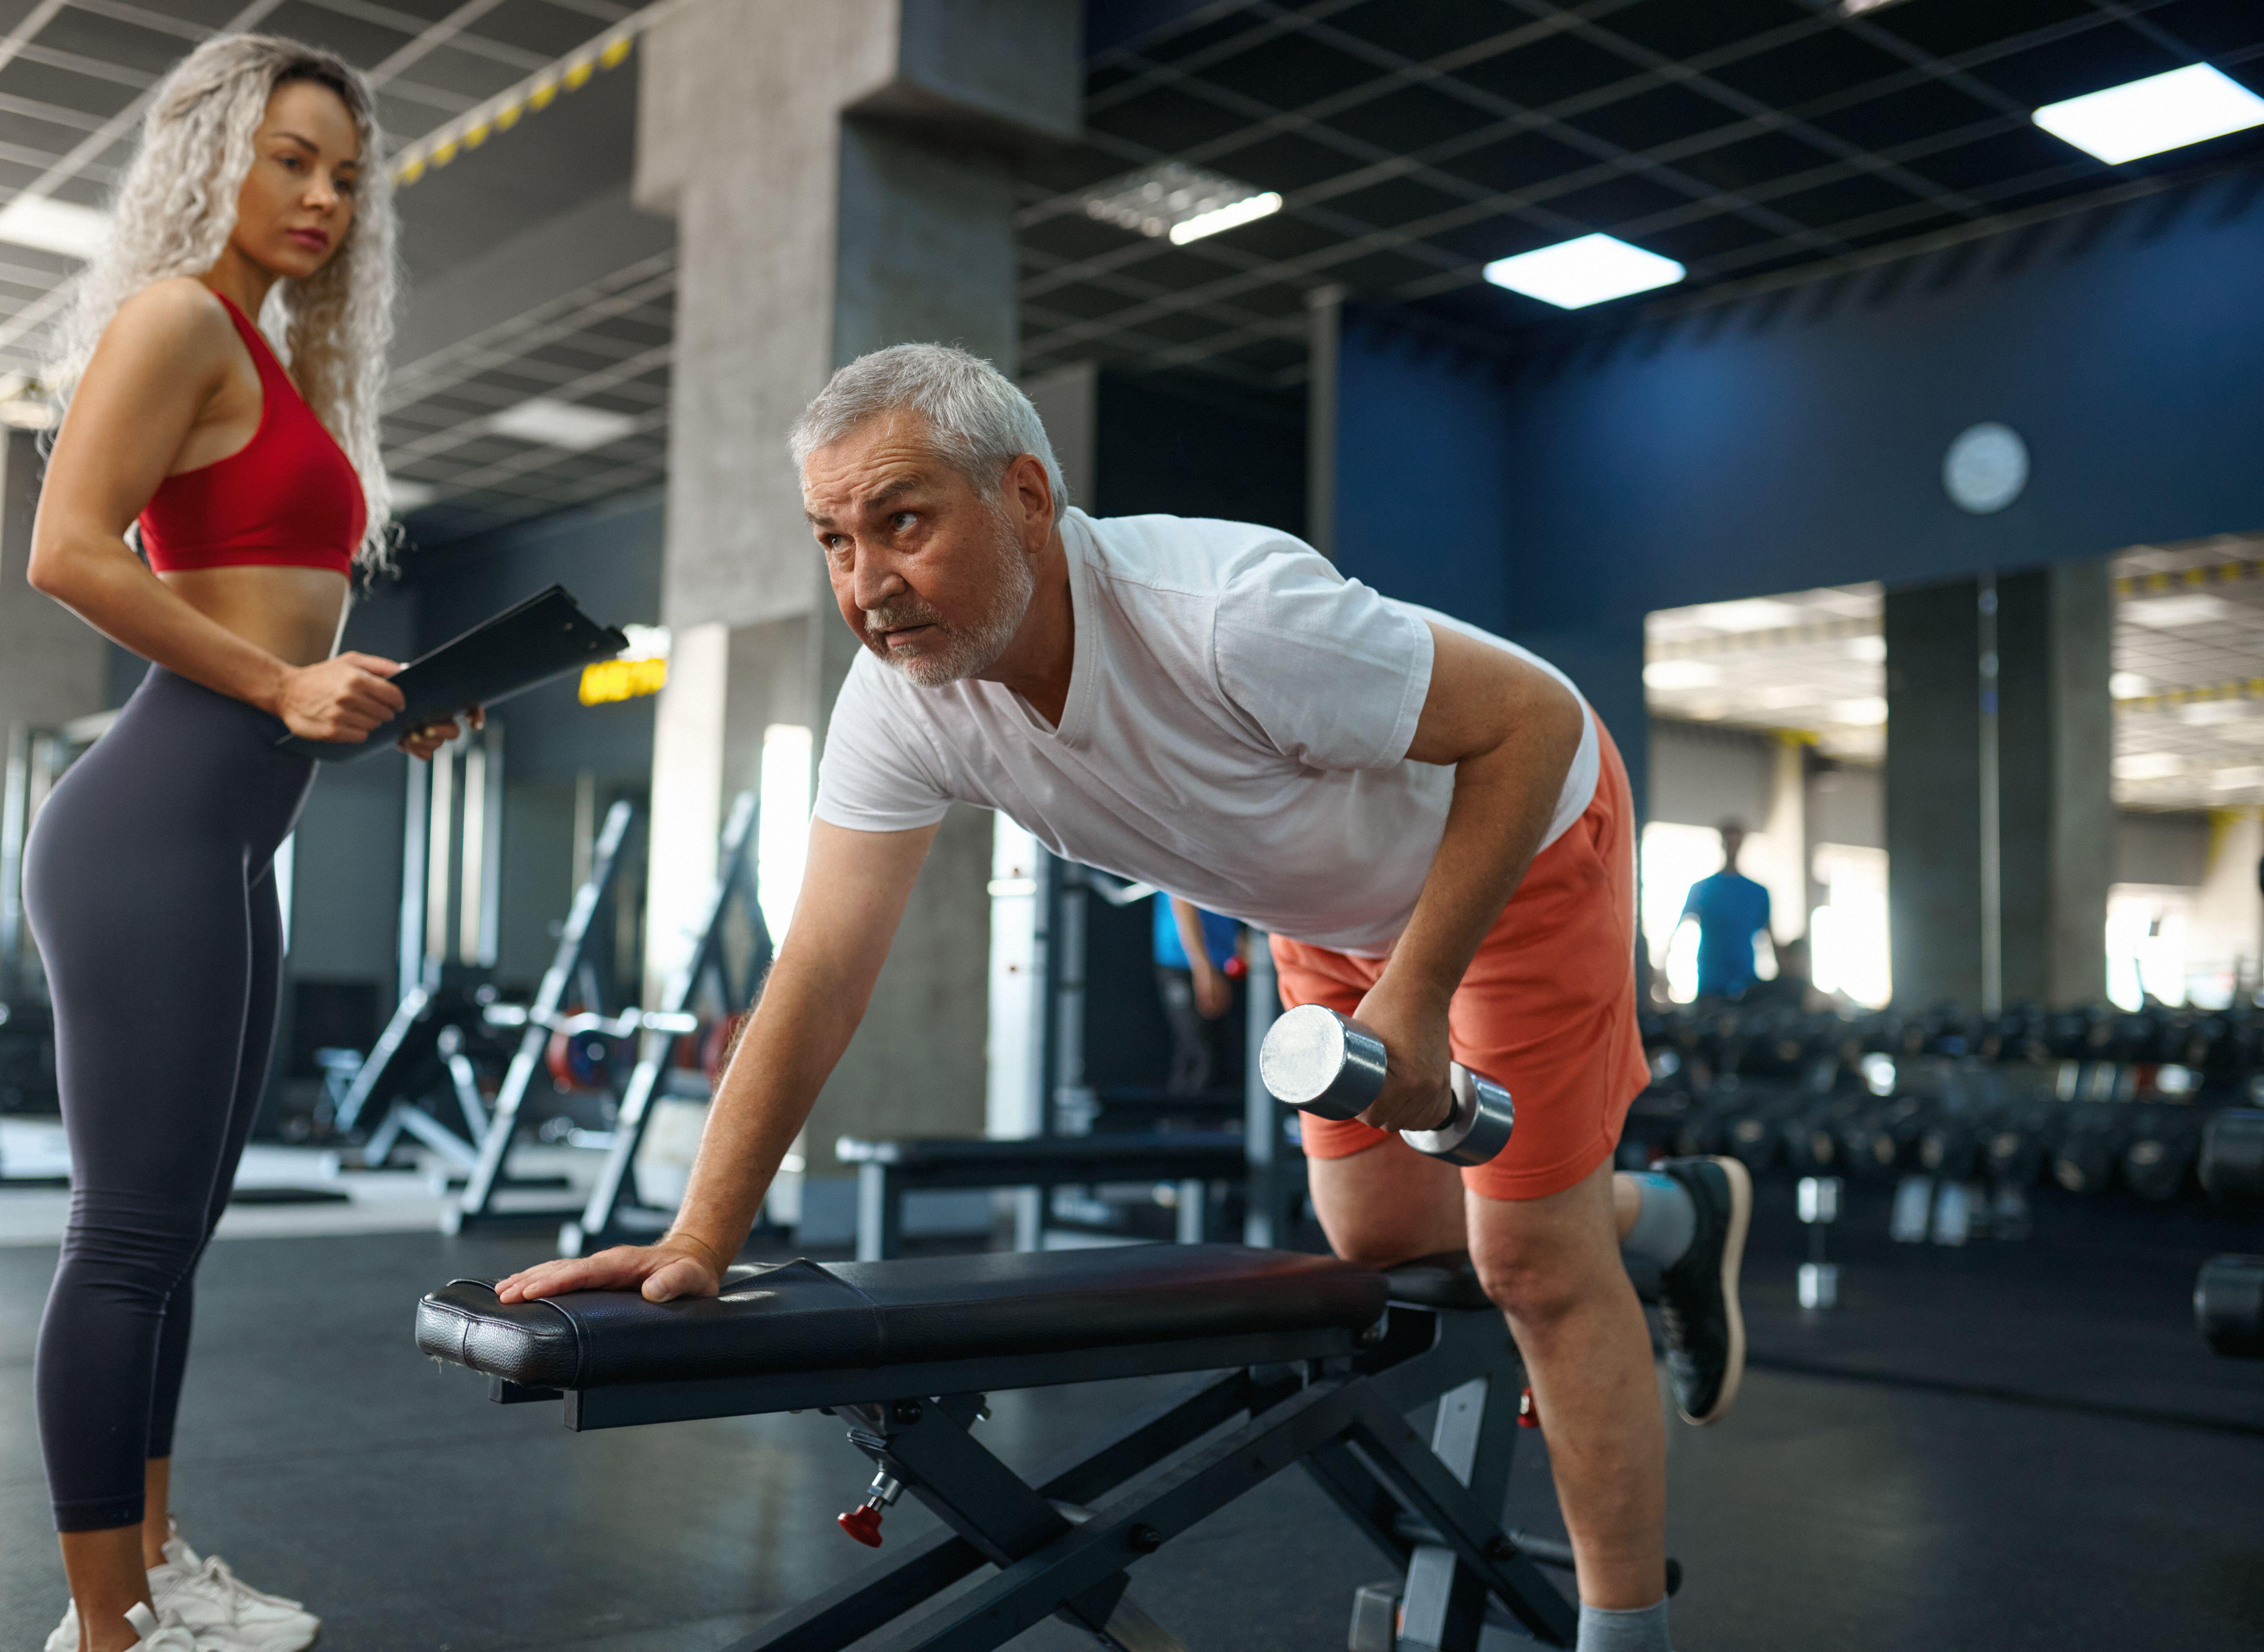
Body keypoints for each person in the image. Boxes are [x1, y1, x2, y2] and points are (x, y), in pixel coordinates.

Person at [495, 344, 1750, 1652]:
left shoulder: (1226, 615)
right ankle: (1670, 1213)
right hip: (1325, 904)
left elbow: (1534, 723)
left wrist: (1421, 989)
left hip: (1518, 840)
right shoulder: (902, 703)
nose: (866, 584)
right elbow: (818, 968)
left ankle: (1627, 1633)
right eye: (833, 539)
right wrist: (702, 1235)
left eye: (903, 520)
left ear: (1027, 497)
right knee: (1378, 1238)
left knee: (1529, 1261)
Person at [24, 36, 464, 1652]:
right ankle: (105, 1628)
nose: (325, 196)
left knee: (176, 1240)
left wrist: (372, 697)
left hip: (233, 835)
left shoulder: (264, 360)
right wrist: (287, 677)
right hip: (147, 829)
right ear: (214, 151)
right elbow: (68, 551)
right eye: (292, 157)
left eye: (347, 174)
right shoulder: (173, 320)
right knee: (125, 1243)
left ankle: (152, 1567)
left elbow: (264, 608)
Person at [1153, 894, 1241, 1094]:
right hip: (1183, 964)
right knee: (1199, 1052)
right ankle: (1184, 1121)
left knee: (1221, 1052)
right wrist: (1202, 968)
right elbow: (1182, 901)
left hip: (1221, 962)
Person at [1678, 821, 1772, 1001]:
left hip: (1746, 982)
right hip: (1710, 981)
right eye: (1729, 842)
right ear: (1722, 844)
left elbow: (1769, 937)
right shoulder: (1703, 889)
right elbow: (1682, 929)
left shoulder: (1758, 892)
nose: (1733, 848)